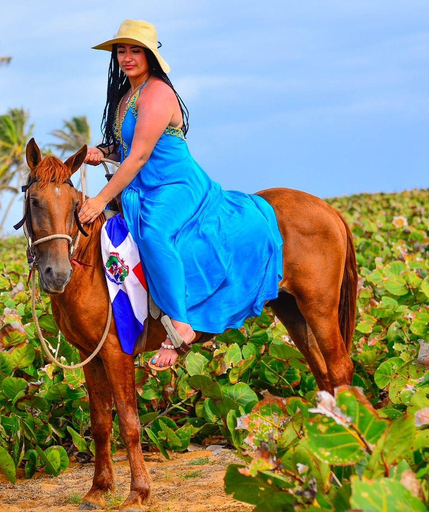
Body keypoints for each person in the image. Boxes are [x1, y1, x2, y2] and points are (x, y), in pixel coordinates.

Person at [78, 19, 283, 370]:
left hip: (174, 185)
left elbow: (140, 155)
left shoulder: (158, 92)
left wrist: (98, 200)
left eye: (135, 50)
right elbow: (125, 149)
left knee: (155, 232)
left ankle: (181, 326)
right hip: (142, 186)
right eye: (122, 51)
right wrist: (100, 151)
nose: (127, 57)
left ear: (150, 55)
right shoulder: (127, 96)